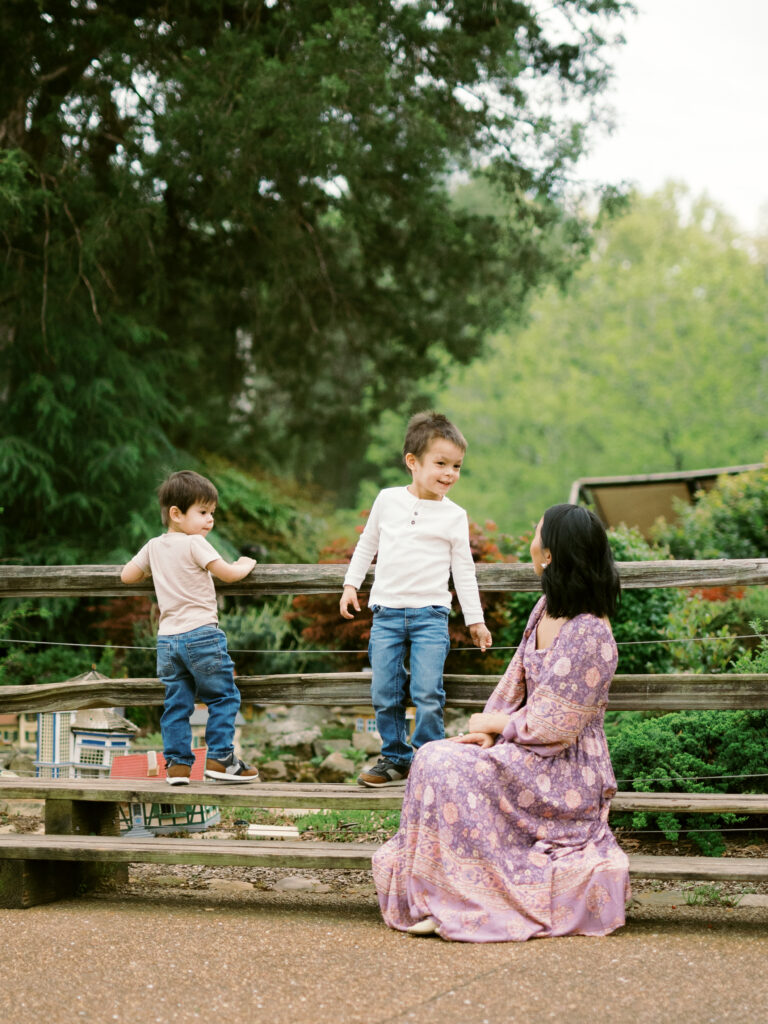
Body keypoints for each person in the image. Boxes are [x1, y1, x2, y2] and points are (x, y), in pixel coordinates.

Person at [372, 503, 630, 941]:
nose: (531, 540)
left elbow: (556, 725)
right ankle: (443, 893)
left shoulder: (590, 632)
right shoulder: (546, 608)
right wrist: (485, 732)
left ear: (551, 553)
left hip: (565, 769)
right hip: (524, 747)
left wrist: (497, 726)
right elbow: (514, 683)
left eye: (536, 532)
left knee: (440, 763)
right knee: (435, 756)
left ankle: (467, 899)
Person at [340, 411, 493, 788]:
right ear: (413, 462)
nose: (449, 473)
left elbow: (464, 570)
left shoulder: (455, 516)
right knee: (384, 691)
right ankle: (394, 757)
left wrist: (475, 619)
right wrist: (349, 585)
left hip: (431, 616)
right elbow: (366, 545)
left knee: (427, 691)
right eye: (440, 463)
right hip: (387, 614)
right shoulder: (388, 500)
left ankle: (428, 759)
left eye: (456, 466)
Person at [121, 470, 260, 785]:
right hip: (202, 635)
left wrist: (153, 570)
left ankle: (178, 766)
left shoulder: (154, 546)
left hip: (167, 641)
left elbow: (127, 576)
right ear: (176, 514)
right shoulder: (196, 544)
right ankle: (221, 759)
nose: (209, 520)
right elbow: (227, 574)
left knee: (176, 702)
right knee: (223, 697)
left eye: (212, 513)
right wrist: (245, 564)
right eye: (202, 512)